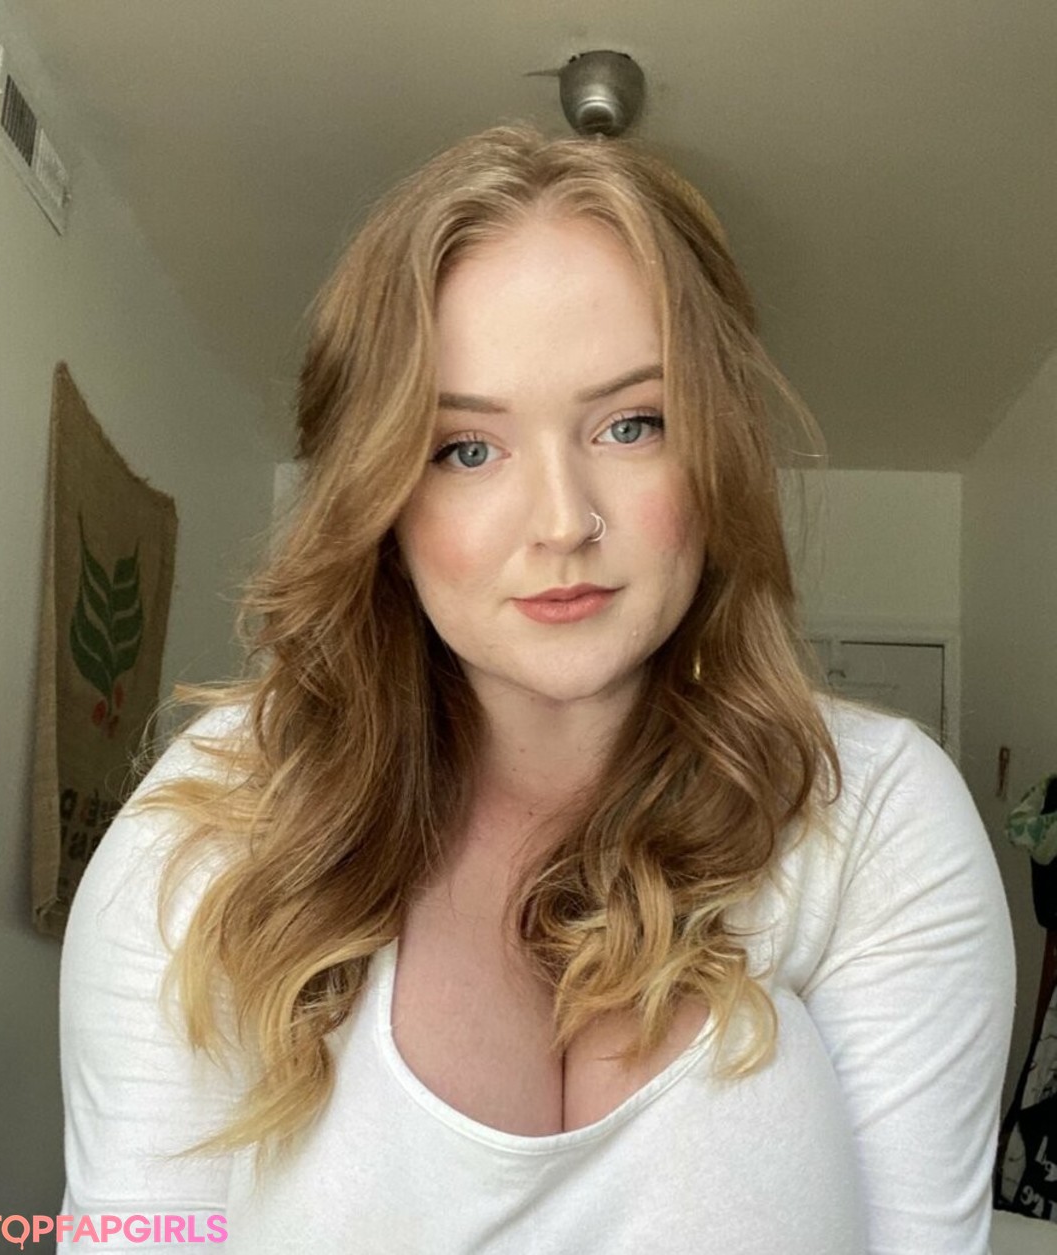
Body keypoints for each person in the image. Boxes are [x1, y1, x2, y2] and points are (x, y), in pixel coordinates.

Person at [59, 124, 1014, 1254]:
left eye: (631, 424)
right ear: (380, 496)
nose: (564, 521)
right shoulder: (212, 839)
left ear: (716, 450)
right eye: (467, 448)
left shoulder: (878, 822)